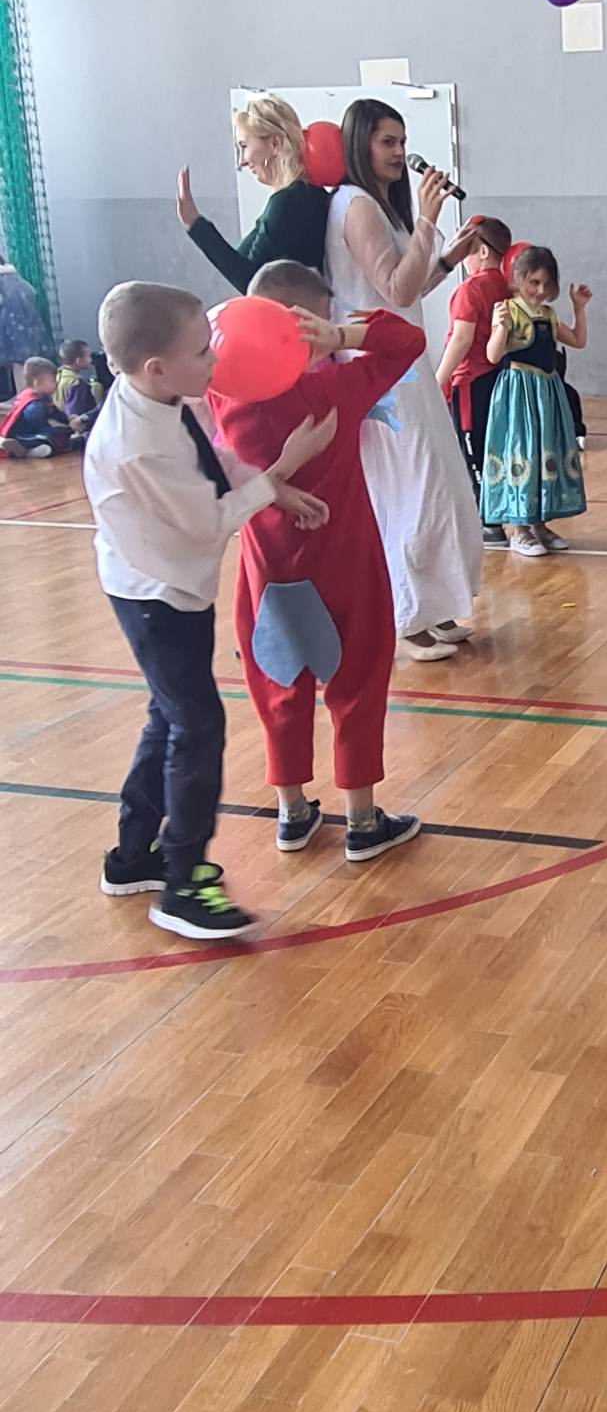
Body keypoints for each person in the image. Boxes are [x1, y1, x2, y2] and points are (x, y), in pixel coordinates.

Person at [85, 281, 333, 938]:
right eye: (202, 351)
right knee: (197, 726)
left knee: (167, 717)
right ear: (155, 368)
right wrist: (283, 469)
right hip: (155, 597)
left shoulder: (168, 398)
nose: (216, 360)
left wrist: (273, 488)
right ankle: (183, 880)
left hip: (173, 586)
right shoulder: (137, 445)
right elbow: (208, 519)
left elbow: (214, 461)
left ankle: (133, 855)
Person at [211, 262, 425, 864]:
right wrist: (345, 337)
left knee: (278, 682)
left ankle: (292, 812)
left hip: (269, 570)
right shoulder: (335, 392)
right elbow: (408, 341)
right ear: (302, 327)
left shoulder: (223, 397)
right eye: (323, 323)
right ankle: (362, 820)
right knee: (359, 679)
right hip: (347, 562)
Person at [325, 98, 484, 660]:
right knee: (410, 484)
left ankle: (434, 606)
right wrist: (427, 222)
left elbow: (408, 289)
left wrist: (446, 259)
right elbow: (394, 289)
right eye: (386, 142)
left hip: (402, 356)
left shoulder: (380, 206)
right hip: (377, 367)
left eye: (402, 141)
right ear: (360, 144)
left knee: (437, 480)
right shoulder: (354, 205)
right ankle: (407, 613)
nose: (398, 153)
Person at [482, 245, 592, 555]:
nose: (540, 290)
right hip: (519, 393)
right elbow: (492, 355)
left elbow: (578, 341)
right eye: (534, 282)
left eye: (546, 284)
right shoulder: (509, 311)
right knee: (522, 453)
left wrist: (579, 308)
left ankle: (538, 524)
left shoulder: (548, 315)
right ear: (518, 278)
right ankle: (518, 529)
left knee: (545, 453)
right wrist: (500, 327)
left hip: (546, 393)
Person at [176, 95, 332, 292]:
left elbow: (253, 283)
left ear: (275, 144)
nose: (241, 161)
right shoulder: (308, 195)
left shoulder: (289, 202)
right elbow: (244, 262)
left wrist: (195, 225)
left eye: (244, 146)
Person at [435, 214, 513, 533]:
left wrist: (437, 381)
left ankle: (488, 522)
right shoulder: (508, 287)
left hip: (471, 381)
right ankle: (501, 514)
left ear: (482, 251)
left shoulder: (471, 289)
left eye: (467, 249)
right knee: (497, 448)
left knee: (473, 450)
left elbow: (461, 339)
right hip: (500, 379)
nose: (462, 258)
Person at [0, 357, 85, 457]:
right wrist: (67, 430)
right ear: (37, 382)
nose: (56, 383)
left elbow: (55, 413)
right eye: (53, 381)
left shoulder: (43, 397)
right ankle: (25, 451)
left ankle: (31, 450)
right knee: (51, 438)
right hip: (24, 436)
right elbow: (41, 428)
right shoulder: (34, 405)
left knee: (58, 435)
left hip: (34, 432)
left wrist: (68, 419)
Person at [0, 246, 49, 389]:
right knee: (23, 363)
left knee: (18, 363)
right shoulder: (13, 277)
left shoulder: (4, 280)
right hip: (25, 327)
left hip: (11, 329)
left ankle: (25, 396)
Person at [56, 339, 102, 427]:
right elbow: (77, 412)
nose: (91, 360)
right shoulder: (77, 383)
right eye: (88, 356)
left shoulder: (59, 375)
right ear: (79, 361)